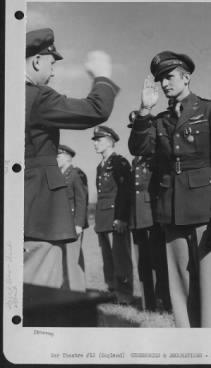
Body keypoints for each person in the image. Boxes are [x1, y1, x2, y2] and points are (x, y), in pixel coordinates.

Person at [128, 51, 211, 327]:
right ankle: (187, 342)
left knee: (209, 284)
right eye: (160, 80)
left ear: (186, 77)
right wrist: (144, 111)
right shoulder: (159, 120)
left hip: (205, 208)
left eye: (169, 77)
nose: (165, 84)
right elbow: (138, 148)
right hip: (171, 210)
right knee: (180, 283)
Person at [24, 27, 119, 288]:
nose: (53, 71)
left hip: (19, 205)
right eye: (51, 63)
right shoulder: (37, 97)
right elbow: (95, 109)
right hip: (39, 212)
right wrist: (102, 76)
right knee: (37, 288)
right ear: (36, 61)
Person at [128, 112, 171, 312]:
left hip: (153, 216)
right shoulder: (135, 161)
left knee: (160, 262)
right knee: (143, 263)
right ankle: (149, 303)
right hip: (138, 217)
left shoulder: (156, 157)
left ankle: (166, 300)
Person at [92, 125, 133, 304]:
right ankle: (112, 288)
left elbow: (125, 190)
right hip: (103, 218)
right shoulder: (100, 166)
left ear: (110, 142)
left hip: (115, 217)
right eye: (95, 140)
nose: (95, 144)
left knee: (120, 256)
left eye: (99, 140)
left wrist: (122, 217)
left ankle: (124, 293)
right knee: (107, 257)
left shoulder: (119, 162)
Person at [57, 144, 89, 291]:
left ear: (66, 157)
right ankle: (66, 289)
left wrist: (78, 224)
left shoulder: (76, 174)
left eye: (58, 155)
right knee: (62, 259)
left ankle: (77, 290)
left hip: (72, 224)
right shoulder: (59, 175)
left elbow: (82, 199)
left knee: (73, 258)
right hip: (61, 224)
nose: (55, 159)